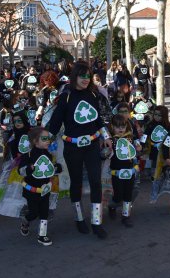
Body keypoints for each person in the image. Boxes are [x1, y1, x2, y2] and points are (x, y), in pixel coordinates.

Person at [47, 61, 112, 239]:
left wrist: (106, 137)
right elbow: (55, 122)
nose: (85, 79)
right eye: (82, 75)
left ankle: (96, 222)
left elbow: (98, 120)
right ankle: (79, 218)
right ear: (75, 75)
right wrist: (44, 141)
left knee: (95, 181)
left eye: (88, 75)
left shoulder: (93, 94)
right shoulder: (66, 95)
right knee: (76, 183)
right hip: (72, 146)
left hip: (91, 144)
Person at [18, 126, 63, 246]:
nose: (48, 141)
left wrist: (57, 168)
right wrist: (28, 168)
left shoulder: (47, 154)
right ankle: (25, 221)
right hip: (31, 190)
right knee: (33, 212)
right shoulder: (27, 155)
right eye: (44, 138)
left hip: (45, 189)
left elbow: (50, 169)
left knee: (44, 212)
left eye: (48, 138)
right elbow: (20, 171)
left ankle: (42, 235)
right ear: (35, 141)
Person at [107, 114, 140, 227]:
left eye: (123, 126)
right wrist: (106, 151)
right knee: (118, 195)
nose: (120, 129)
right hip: (116, 172)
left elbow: (135, 153)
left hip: (129, 171)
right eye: (117, 126)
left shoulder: (130, 139)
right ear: (112, 127)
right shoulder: (110, 140)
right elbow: (103, 155)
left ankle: (126, 216)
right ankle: (112, 206)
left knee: (128, 194)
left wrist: (139, 148)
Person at [140, 105, 170, 180]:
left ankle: (164, 179)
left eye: (159, 115)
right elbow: (145, 135)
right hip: (154, 150)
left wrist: (168, 146)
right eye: (155, 114)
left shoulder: (168, 126)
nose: (156, 116)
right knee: (154, 167)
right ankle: (155, 180)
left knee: (165, 167)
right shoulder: (150, 125)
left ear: (164, 116)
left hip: (165, 151)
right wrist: (141, 145)